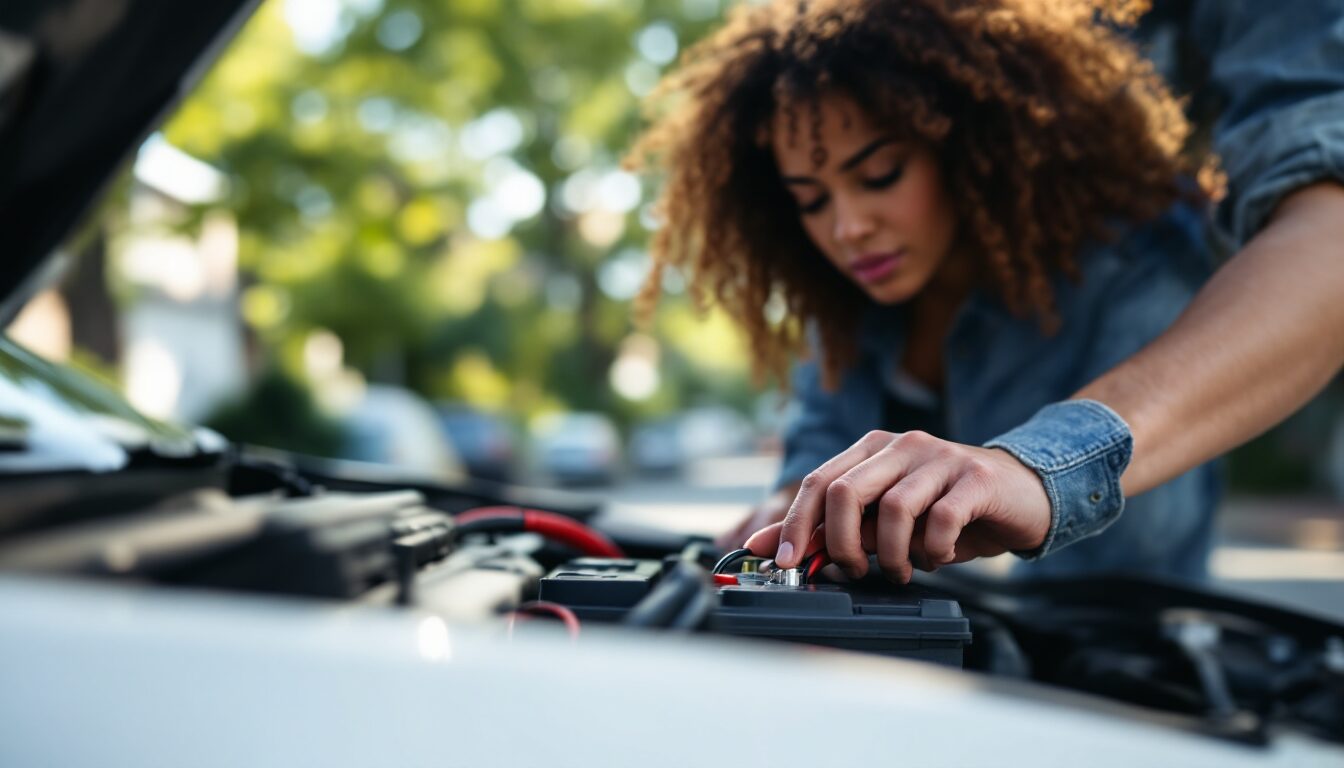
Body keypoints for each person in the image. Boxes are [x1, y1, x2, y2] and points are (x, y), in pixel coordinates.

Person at [628, 0, 1344, 582]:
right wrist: (787, 519)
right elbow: (817, 452)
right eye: (810, 200)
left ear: (966, 148)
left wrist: (1035, 469)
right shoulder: (851, 295)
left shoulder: (1133, 269)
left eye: (879, 176)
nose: (847, 228)